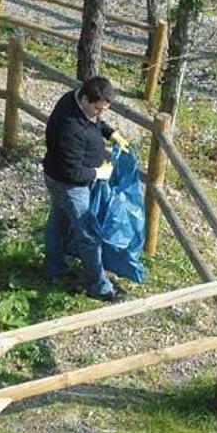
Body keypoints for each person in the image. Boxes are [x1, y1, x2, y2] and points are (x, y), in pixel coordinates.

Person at [42, 76, 130, 302]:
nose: (99, 114)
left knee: (58, 221)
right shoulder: (69, 126)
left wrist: (110, 132)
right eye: (97, 109)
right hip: (69, 184)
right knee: (89, 233)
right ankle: (99, 287)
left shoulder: (77, 102)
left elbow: (94, 123)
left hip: (58, 176)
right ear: (84, 98)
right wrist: (99, 173)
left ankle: (53, 267)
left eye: (104, 110)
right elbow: (71, 172)